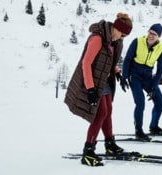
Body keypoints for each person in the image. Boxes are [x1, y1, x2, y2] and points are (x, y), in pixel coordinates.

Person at [64, 12, 132, 166]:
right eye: (122, 34)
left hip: (105, 80)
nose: (122, 38)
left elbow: (109, 61)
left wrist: (117, 73)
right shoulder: (97, 38)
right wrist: (90, 89)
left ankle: (109, 144)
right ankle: (88, 151)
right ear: (115, 28)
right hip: (93, 82)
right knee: (100, 113)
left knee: (108, 111)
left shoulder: (113, 41)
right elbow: (86, 63)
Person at [121, 23, 162, 141]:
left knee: (160, 102)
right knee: (140, 103)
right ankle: (138, 130)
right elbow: (127, 60)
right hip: (135, 76)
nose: (151, 35)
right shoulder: (137, 41)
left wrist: (154, 86)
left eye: (154, 34)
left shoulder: (161, 49)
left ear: (158, 36)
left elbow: (160, 70)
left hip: (148, 77)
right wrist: (124, 77)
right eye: (150, 32)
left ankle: (154, 127)